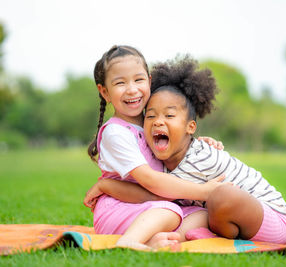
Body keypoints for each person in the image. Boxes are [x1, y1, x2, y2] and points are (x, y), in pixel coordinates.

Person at [89, 56, 286, 244]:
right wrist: (105, 185)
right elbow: (149, 192)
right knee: (198, 211)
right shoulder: (160, 158)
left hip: (273, 218)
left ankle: (209, 234)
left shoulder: (198, 159)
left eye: (169, 116)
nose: (158, 122)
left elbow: (152, 193)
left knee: (220, 196)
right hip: (238, 216)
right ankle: (174, 239)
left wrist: (106, 186)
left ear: (190, 127)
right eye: (150, 116)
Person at [84, 45, 227, 250]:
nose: (132, 89)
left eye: (138, 79)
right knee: (170, 210)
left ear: (149, 81)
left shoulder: (151, 122)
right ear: (105, 92)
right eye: (120, 83)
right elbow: (150, 181)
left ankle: (167, 240)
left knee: (202, 214)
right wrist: (204, 192)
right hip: (119, 209)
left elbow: (173, 144)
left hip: (150, 206)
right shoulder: (116, 133)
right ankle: (129, 241)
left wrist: (197, 144)